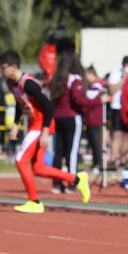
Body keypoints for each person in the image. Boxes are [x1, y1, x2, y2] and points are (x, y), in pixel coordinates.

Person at [0, 50, 91, 214]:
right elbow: (21, 104)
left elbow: (49, 107)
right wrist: (15, 126)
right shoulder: (12, 83)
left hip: (41, 126)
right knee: (39, 168)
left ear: (13, 67)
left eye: (3, 67)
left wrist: (46, 132)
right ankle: (77, 178)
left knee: (20, 160)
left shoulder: (28, 83)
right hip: (35, 125)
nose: (1, 71)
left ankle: (34, 201)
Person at [49, 41, 105, 192]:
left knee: (58, 151)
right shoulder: (74, 78)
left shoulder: (55, 78)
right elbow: (79, 99)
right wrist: (98, 100)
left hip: (57, 117)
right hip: (72, 117)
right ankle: (72, 183)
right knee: (72, 152)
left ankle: (57, 183)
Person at [83, 65, 106, 174]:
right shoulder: (96, 85)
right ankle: (96, 164)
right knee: (94, 142)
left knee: (95, 142)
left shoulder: (96, 86)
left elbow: (89, 98)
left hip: (94, 118)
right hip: (92, 118)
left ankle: (97, 164)